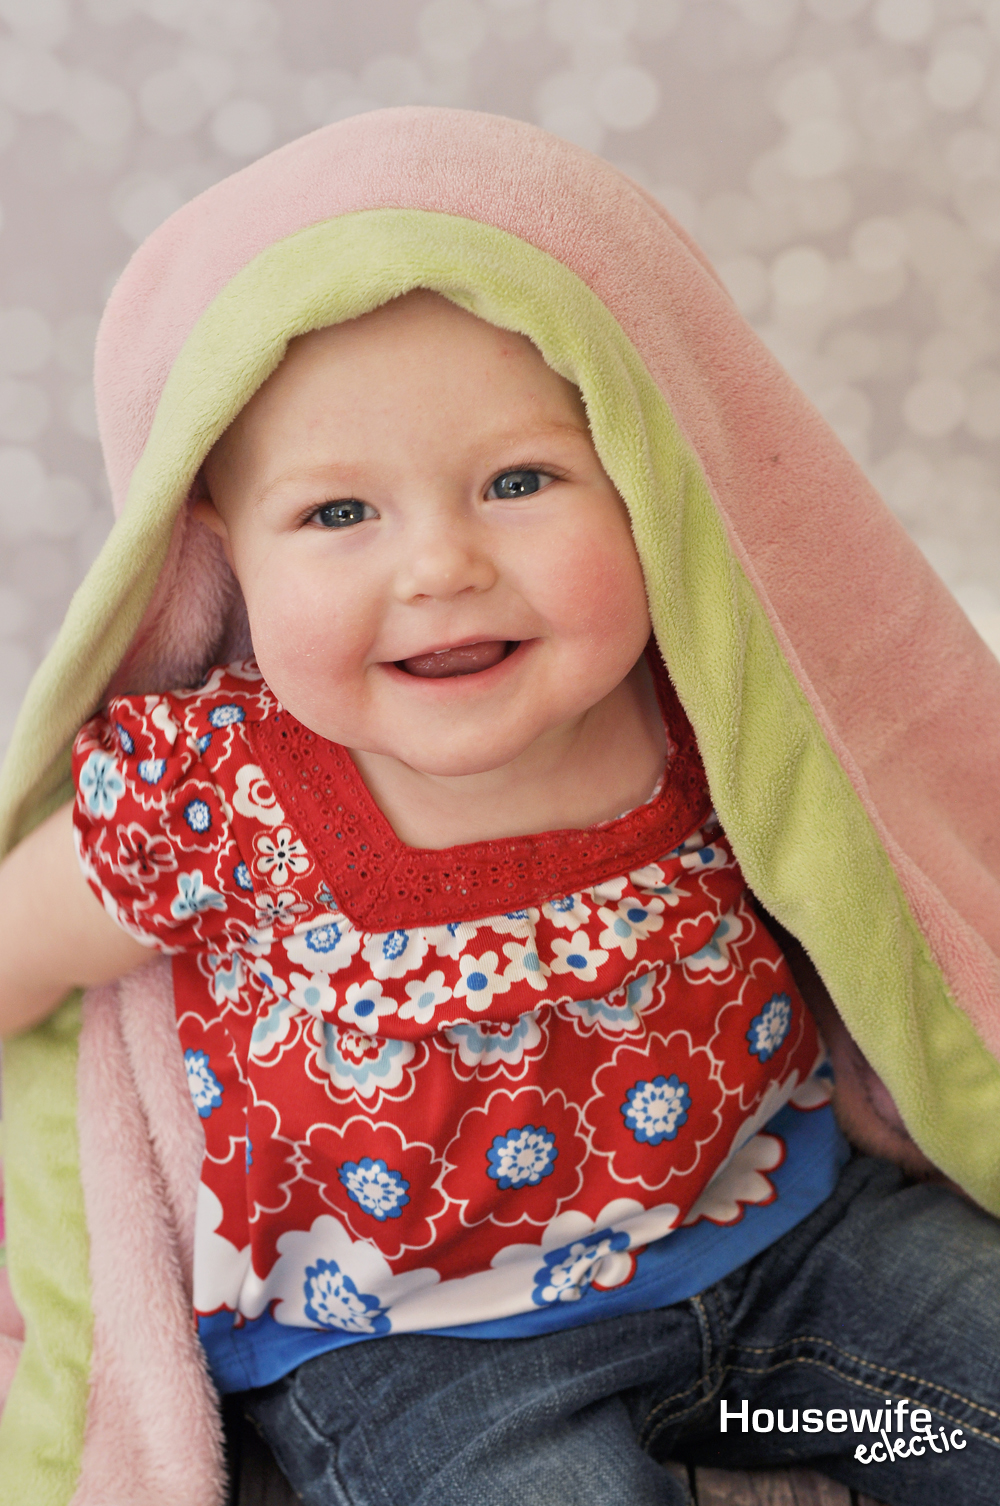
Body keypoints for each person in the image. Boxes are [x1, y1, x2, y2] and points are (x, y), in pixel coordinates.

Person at [0, 109, 999, 1506]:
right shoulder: (212, 790)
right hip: (422, 1355)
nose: (441, 567)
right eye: (338, 514)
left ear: (646, 477)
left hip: (783, 1255)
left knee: (961, 1419)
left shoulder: (715, 703)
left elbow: (901, 858)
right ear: (217, 551)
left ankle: (817, 1443)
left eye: (518, 482)